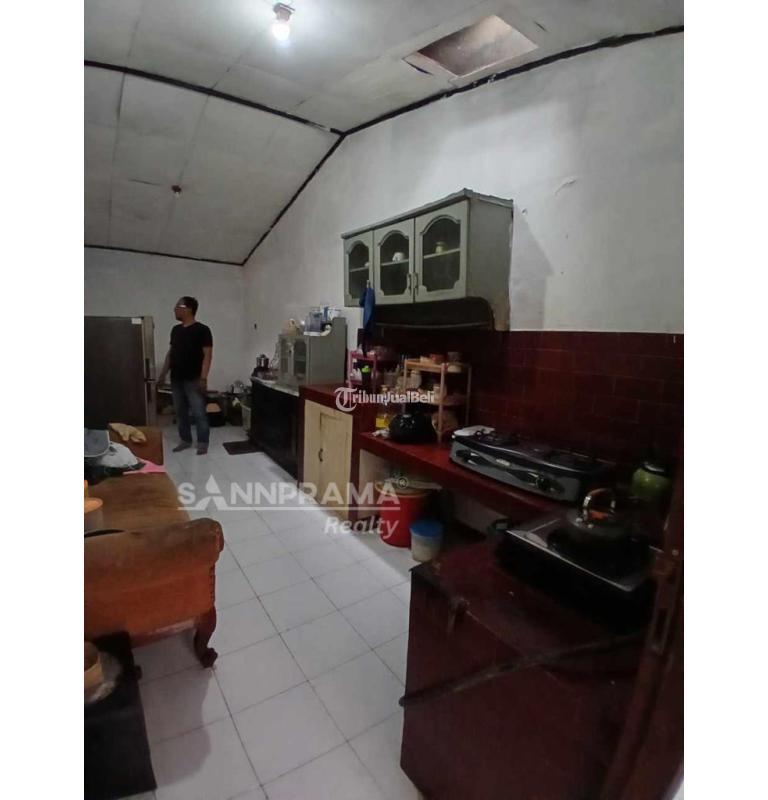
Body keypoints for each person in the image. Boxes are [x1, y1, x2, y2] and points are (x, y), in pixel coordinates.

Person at [157, 296, 213, 455]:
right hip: (176, 379)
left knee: (198, 412)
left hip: (194, 379)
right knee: (180, 413)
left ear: (188, 309)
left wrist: (204, 378)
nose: (174, 310)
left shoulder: (202, 330)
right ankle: (185, 440)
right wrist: (163, 374)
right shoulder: (175, 330)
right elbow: (171, 354)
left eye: (177, 307)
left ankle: (203, 442)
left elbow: (208, 355)